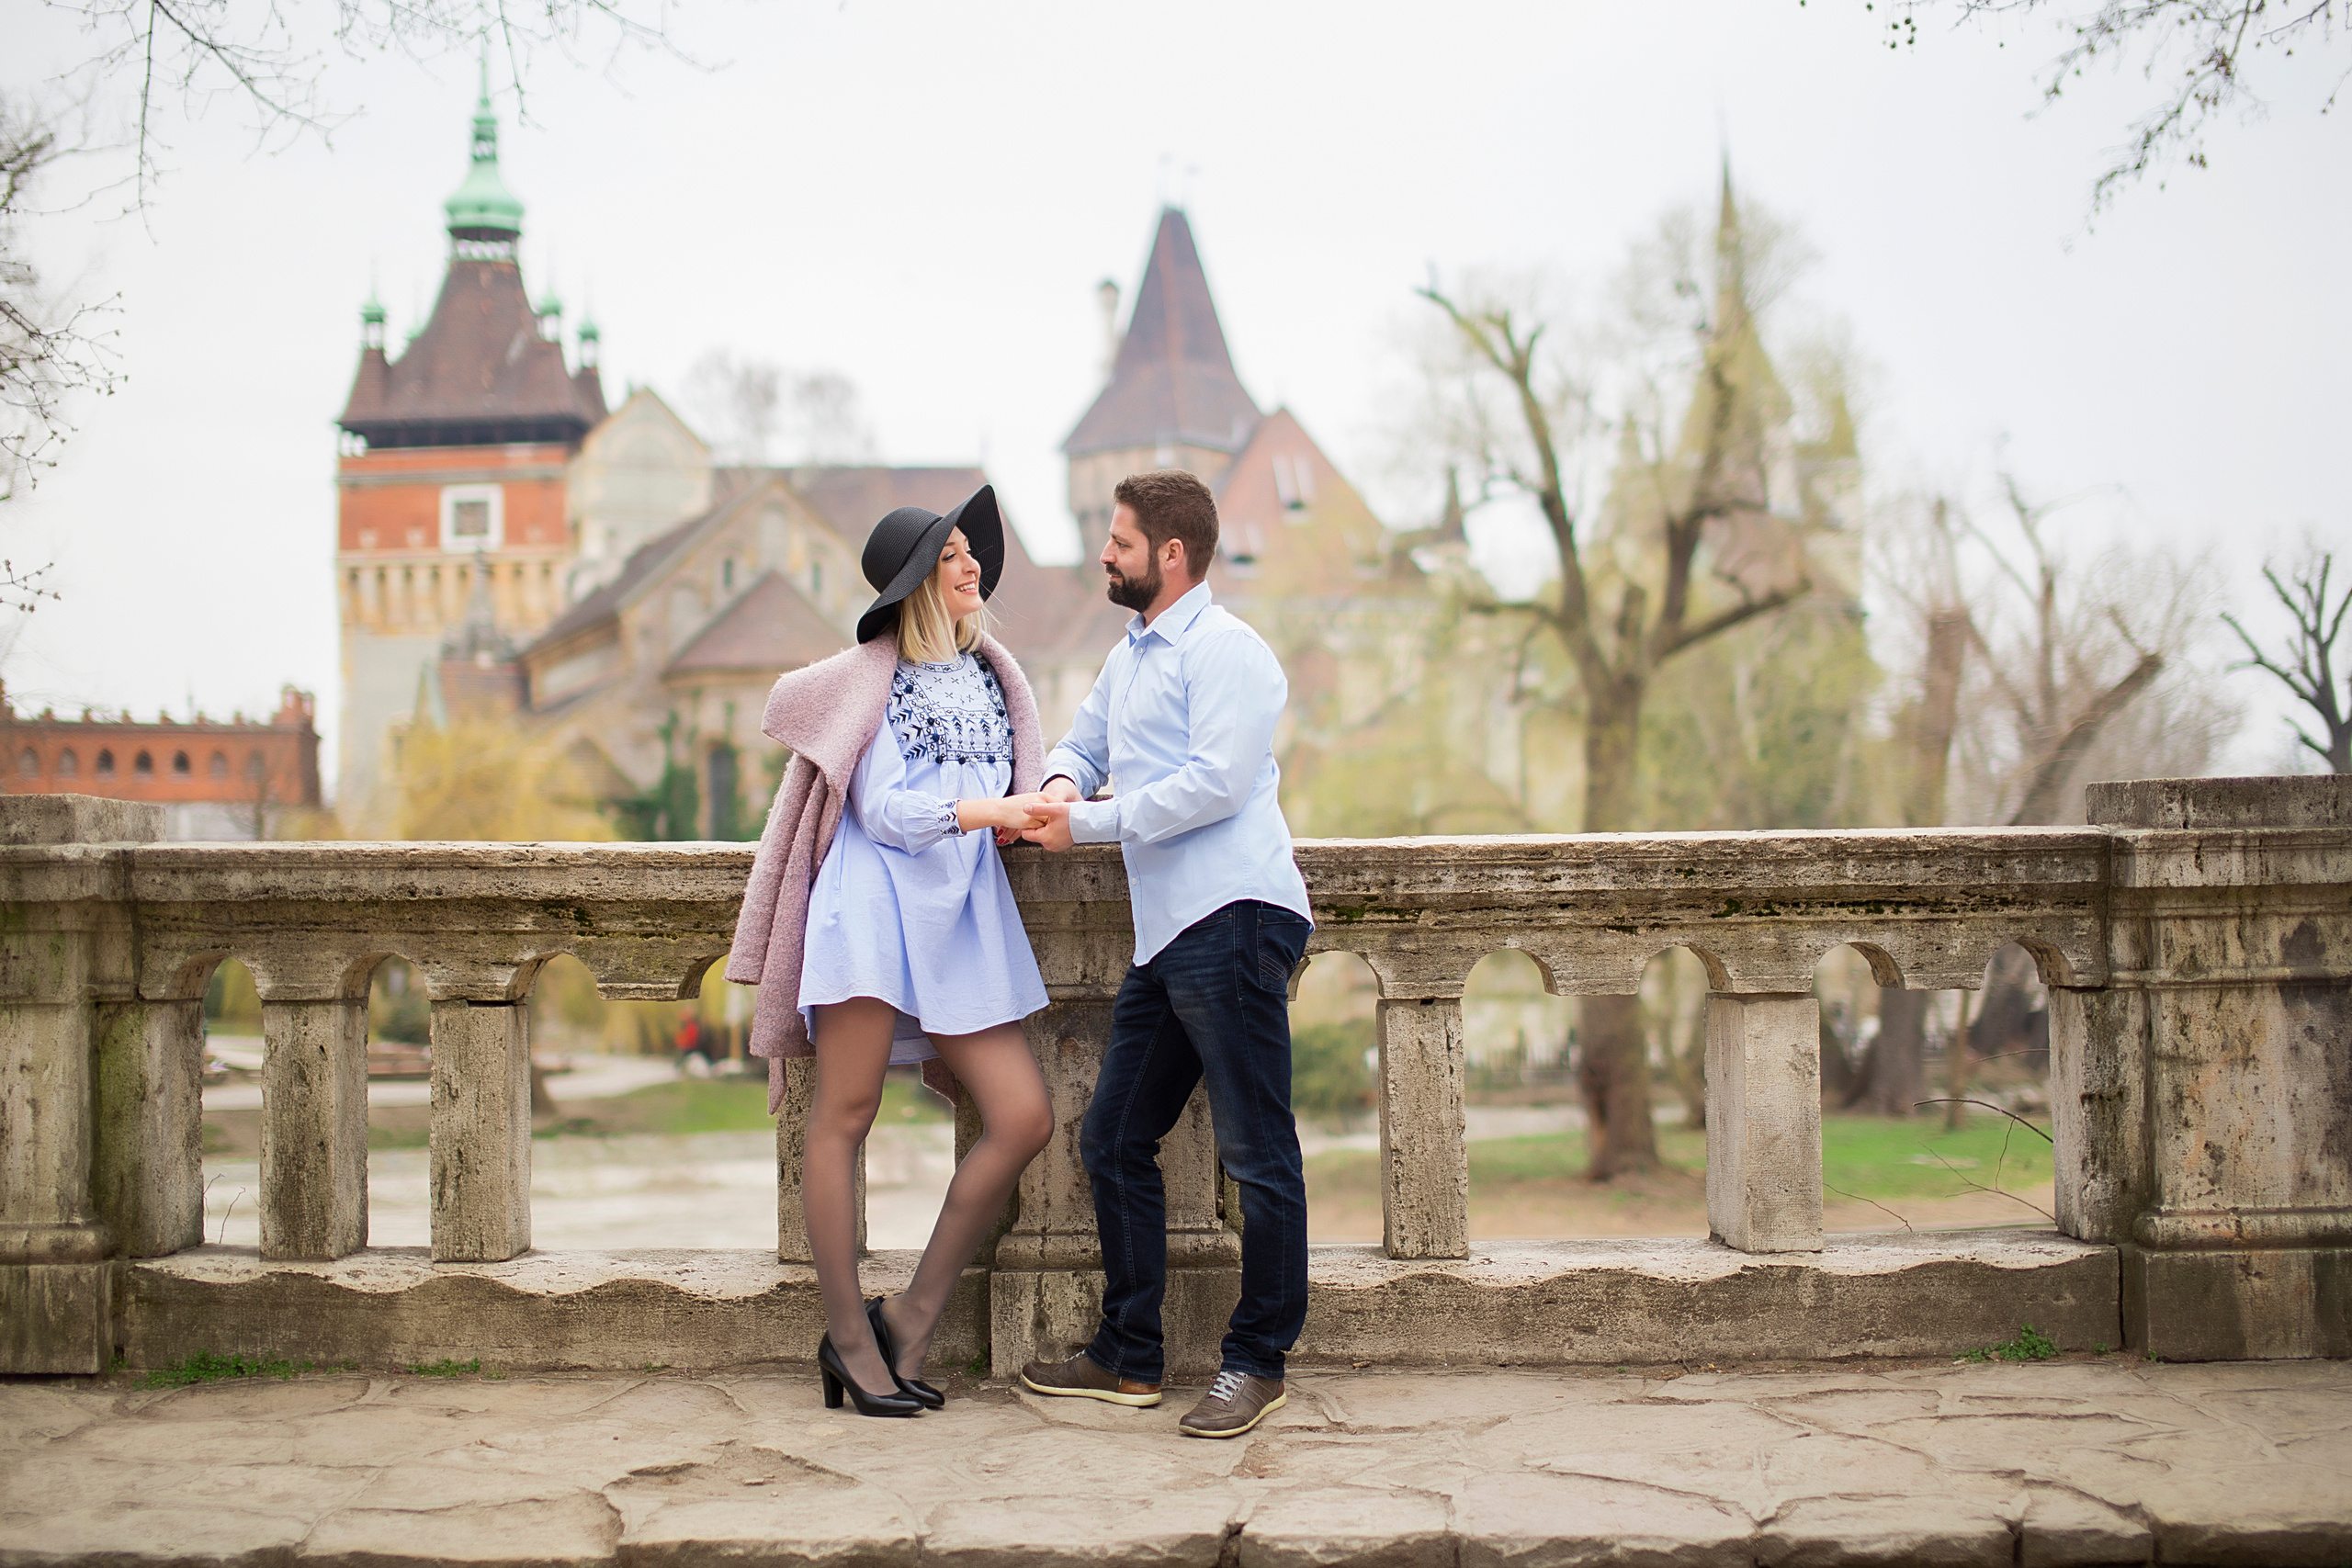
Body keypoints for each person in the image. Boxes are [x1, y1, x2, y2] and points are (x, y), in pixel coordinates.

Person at [726, 485, 1056, 1418]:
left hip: (959, 919)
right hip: (870, 911)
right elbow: (884, 810)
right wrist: (983, 811)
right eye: (951, 555)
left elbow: (1014, 778)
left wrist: (1038, 802)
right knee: (844, 1115)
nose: (971, 565)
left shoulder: (995, 676)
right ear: (916, 580)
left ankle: (908, 1317)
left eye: (969, 552)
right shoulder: (874, 678)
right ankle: (843, 1338)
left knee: (1023, 1116)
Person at [1014, 468, 1315, 1440]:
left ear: (1171, 554)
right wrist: (1060, 786)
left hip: (1234, 917)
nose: (1106, 552)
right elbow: (1084, 743)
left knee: (1257, 1154)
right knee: (1110, 1139)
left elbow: (1214, 786)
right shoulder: (1131, 655)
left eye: (1122, 540)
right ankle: (1129, 1357)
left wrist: (1088, 827)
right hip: (1168, 933)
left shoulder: (1230, 652)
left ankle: (1257, 1363)